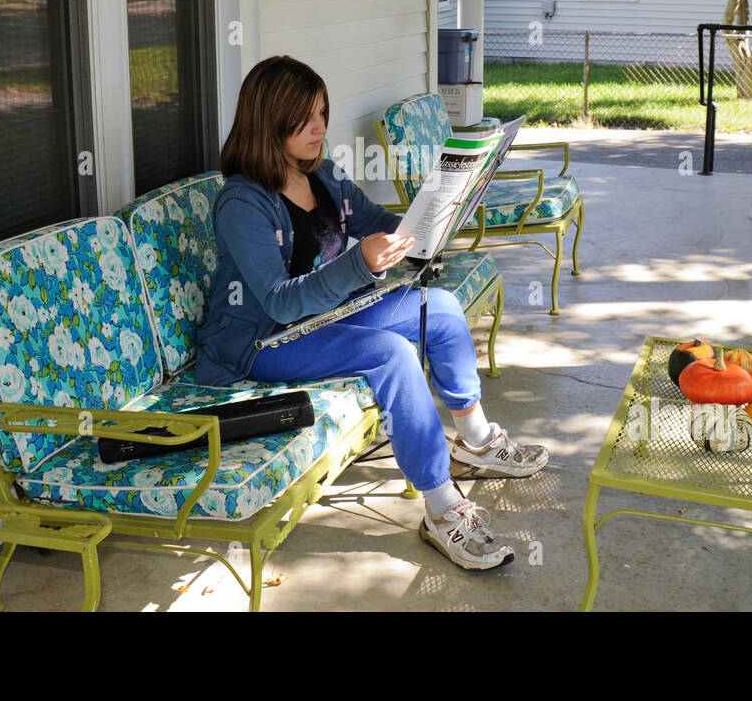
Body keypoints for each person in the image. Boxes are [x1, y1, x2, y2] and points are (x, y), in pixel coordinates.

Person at [195, 55, 549, 571]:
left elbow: (375, 219)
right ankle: (442, 506)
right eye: (305, 117)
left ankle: (475, 440)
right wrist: (359, 264)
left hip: (326, 317)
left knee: (443, 307)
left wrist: (435, 215)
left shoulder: (322, 175)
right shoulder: (242, 202)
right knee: (390, 353)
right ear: (268, 121)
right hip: (262, 342)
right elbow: (279, 300)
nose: (320, 127)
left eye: (322, 112)